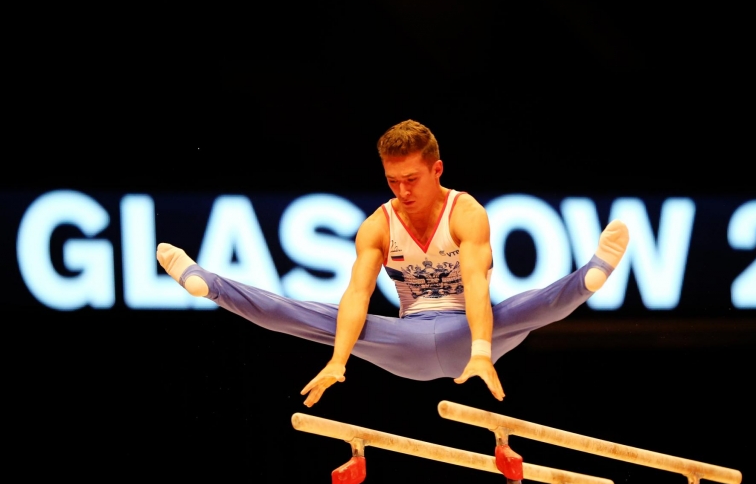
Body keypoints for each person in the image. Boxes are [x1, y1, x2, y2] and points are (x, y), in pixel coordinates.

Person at [156, 120, 628, 407]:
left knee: (527, 307)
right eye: (392, 180)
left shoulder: (466, 213)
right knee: (313, 315)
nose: (402, 191)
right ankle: (210, 283)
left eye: (412, 179)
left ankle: (588, 277)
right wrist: (339, 361)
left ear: (437, 169)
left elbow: (476, 283)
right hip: (406, 342)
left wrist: (482, 351)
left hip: (474, 331)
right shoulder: (377, 226)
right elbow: (357, 294)